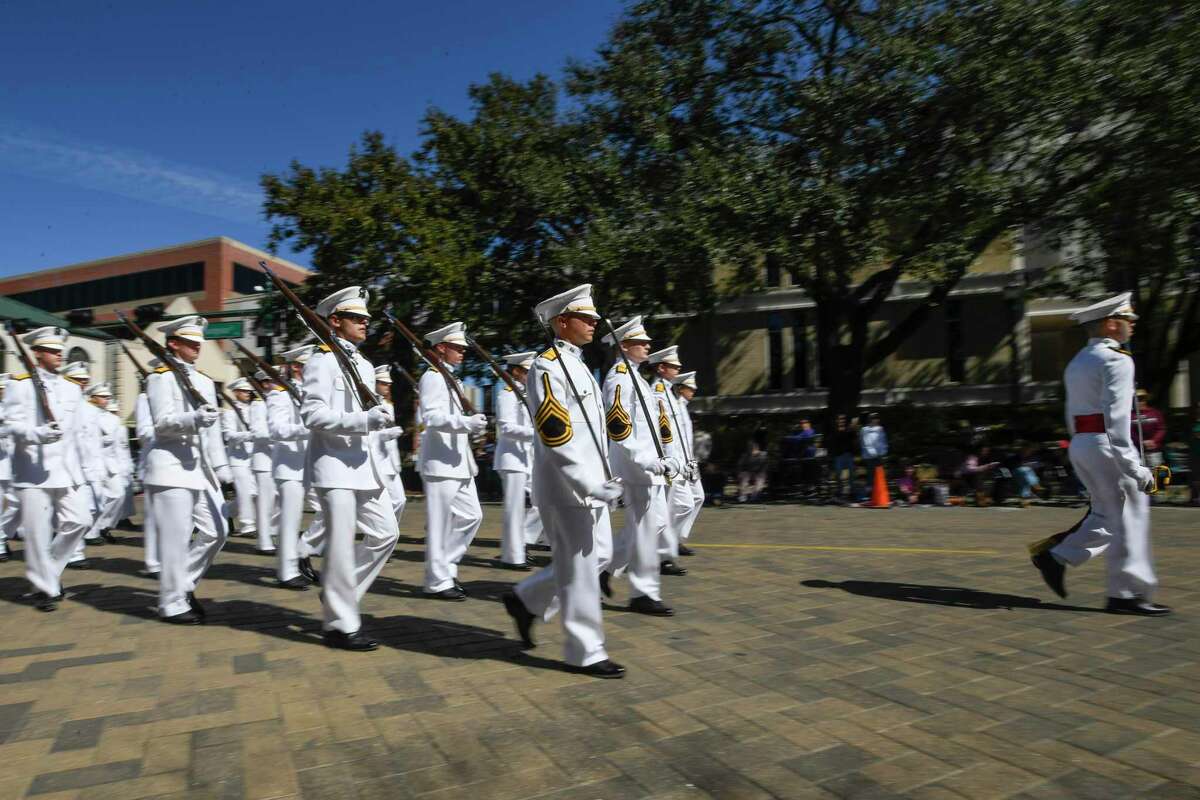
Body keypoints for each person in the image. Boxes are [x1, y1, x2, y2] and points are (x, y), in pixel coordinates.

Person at [502, 284, 626, 678]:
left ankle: (526, 599)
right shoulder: (547, 366)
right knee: (581, 568)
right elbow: (556, 432)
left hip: (591, 485)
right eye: (585, 318)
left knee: (598, 558)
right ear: (562, 321)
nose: (593, 323)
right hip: (568, 486)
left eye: (593, 317)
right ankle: (585, 651)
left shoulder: (579, 366)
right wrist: (588, 483)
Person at [1030, 292, 1169, 615]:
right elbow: (1117, 421)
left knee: (1108, 515)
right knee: (1130, 519)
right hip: (1107, 444)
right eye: (1128, 320)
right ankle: (1126, 593)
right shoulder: (1118, 360)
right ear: (1111, 324)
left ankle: (1056, 557)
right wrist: (1137, 469)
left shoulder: (1078, 360)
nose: (1132, 326)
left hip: (1083, 442)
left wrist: (1080, 445)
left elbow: (1071, 412)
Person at [301, 286, 400, 650]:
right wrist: (363, 420)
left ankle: (337, 595)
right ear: (335, 321)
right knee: (341, 547)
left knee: (386, 533)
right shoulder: (322, 360)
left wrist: (381, 424)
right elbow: (311, 414)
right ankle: (339, 625)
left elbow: (367, 416)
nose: (364, 324)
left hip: (364, 466)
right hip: (334, 466)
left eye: (366, 319)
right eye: (357, 318)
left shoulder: (364, 364)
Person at [143, 316, 233, 623]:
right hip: (170, 466)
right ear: (173, 343)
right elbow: (161, 423)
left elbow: (212, 431)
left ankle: (182, 585)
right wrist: (193, 418)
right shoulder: (161, 376)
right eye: (189, 341)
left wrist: (223, 470)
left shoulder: (205, 381)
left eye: (198, 341)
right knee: (176, 538)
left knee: (218, 530)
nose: (197, 346)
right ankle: (171, 603)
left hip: (200, 469)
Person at [2, 327, 90, 611]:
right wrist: (38, 433)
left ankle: (47, 572)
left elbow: (77, 434)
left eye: (58, 349)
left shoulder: (71, 388)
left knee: (80, 521)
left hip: (65, 470)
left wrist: (82, 472)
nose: (57, 354)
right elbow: (9, 425)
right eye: (51, 350)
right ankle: (46, 589)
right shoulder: (21, 384)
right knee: (38, 534)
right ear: (37, 353)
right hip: (33, 471)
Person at [604, 319, 677, 616]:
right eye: (641, 342)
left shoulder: (636, 377)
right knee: (647, 526)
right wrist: (645, 459)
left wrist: (664, 457)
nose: (648, 345)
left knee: (652, 524)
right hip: (637, 466)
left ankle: (605, 568)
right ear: (623, 346)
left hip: (649, 465)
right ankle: (643, 593)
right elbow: (618, 424)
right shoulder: (619, 377)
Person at [417, 321, 488, 600]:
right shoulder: (433, 377)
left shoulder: (452, 379)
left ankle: (445, 567)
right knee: (439, 524)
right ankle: (437, 581)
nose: (462, 353)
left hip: (458, 461)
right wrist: (465, 423)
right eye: (457, 348)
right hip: (439, 462)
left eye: (463, 348)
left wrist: (472, 426)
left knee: (473, 516)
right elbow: (432, 418)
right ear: (441, 348)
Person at [269, 345, 323, 589]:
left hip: (312, 464)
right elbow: (277, 429)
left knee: (328, 512)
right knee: (290, 520)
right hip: (289, 466)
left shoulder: (315, 393)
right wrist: (306, 428)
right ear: (297, 367)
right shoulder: (280, 393)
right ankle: (286, 571)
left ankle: (303, 550)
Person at [493, 351, 542, 570]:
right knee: (514, 509)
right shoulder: (507, 393)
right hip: (511, 458)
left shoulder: (527, 393)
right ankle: (512, 556)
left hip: (528, 457)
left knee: (543, 501)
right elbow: (505, 426)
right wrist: (536, 434)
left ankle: (520, 541)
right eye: (528, 372)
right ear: (516, 371)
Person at [647, 344, 690, 573]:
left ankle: (664, 552)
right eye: (674, 366)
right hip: (666, 462)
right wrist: (666, 461)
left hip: (677, 461)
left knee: (680, 506)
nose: (678, 369)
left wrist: (685, 462)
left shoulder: (669, 394)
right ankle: (661, 555)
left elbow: (679, 435)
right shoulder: (657, 393)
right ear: (662, 368)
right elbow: (661, 431)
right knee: (662, 515)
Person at [670, 371, 704, 554]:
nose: (693, 391)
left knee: (699, 497)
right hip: (678, 463)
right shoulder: (674, 406)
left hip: (689, 461)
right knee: (683, 504)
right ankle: (670, 541)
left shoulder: (682, 407)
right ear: (681, 388)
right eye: (690, 388)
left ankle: (678, 538)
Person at [220, 378, 257, 538]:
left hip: (253, 457)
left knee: (254, 493)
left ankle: (224, 513)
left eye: (249, 391)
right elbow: (228, 435)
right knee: (245, 493)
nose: (247, 393)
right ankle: (247, 526)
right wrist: (248, 435)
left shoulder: (255, 409)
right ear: (235, 392)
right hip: (237, 459)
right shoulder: (230, 412)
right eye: (243, 391)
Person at [371, 365, 408, 520]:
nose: (388, 386)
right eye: (383, 383)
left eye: (388, 383)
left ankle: (390, 533)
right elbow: (369, 434)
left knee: (400, 500)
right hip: (377, 461)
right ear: (374, 383)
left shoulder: (388, 406)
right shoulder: (368, 405)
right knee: (380, 503)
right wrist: (386, 435)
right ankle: (382, 534)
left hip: (391, 462)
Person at [248, 372, 278, 554]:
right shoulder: (258, 404)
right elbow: (257, 432)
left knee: (277, 503)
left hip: (278, 460)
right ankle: (264, 541)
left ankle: (273, 532)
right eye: (269, 381)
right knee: (265, 503)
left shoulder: (276, 400)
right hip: (263, 460)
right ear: (264, 384)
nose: (273, 383)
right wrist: (279, 436)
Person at [134, 375, 159, 574]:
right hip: (153, 462)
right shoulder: (145, 399)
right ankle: (153, 562)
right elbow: (144, 431)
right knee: (153, 517)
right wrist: (172, 426)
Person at [1132, 389, 1166, 469]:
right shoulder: (1131, 415)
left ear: (1146, 400)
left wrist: (1154, 440)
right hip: (1137, 451)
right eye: (1137, 399)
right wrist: (1141, 442)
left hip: (1154, 450)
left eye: (1142, 399)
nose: (1140, 402)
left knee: (1155, 473)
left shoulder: (1155, 413)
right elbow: (1130, 432)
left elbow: (1161, 429)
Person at [828, 414, 856, 500]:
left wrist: (853, 428)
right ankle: (840, 491)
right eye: (840, 419)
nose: (842, 420)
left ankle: (851, 492)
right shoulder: (835, 430)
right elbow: (833, 441)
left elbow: (854, 437)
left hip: (848, 454)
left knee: (851, 473)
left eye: (843, 419)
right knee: (838, 474)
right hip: (839, 455)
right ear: (837, 420)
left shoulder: (849, 428)